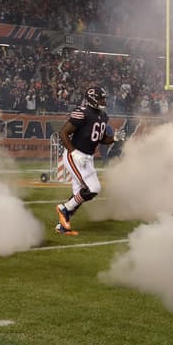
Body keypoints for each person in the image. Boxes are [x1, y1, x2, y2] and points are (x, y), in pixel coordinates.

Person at [54, 86, 114, 236]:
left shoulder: (103, 116)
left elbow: (101, 139)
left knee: (79, 196)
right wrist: (74, 152)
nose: (104, 101)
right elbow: (63, 133)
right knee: (93, 188)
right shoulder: (82, 112)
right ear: (93, 99)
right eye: (101, 98)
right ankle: (63, 208)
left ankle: (62, 226)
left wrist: (115, 138)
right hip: (75, 155)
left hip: (88, 158)